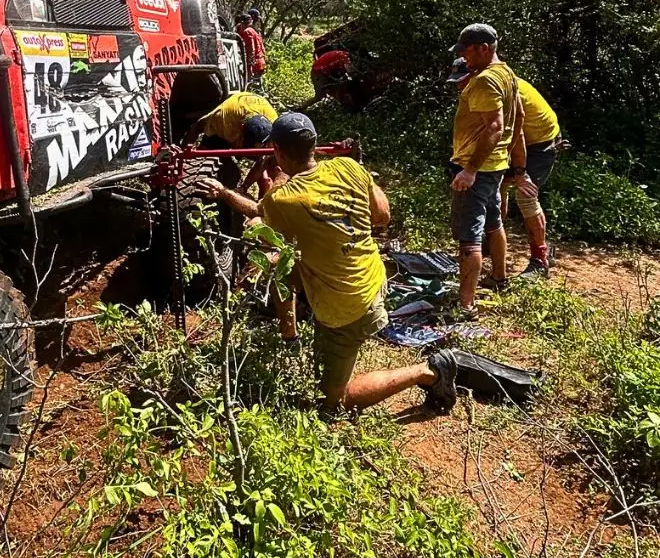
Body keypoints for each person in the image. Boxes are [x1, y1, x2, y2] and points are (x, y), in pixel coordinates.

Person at [197, 113, 458, 414]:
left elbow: (259, 215)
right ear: (315, 144)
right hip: (372, 275)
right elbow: (383, 216)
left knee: (334, 403)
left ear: (277, 153)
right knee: (279, 266)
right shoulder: (348, 167)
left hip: (347, 308)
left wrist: (224, 192)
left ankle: (430, 371)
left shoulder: (283, 201)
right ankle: (289, 334)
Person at [448, 24, 533, 315]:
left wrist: (470, 170)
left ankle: (465, 305)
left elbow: (495, 126)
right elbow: (518, 116)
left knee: (469, 235)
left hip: (478, 167)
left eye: (466, 52)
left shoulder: (485, 80)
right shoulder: (507, 74)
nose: (463, 58)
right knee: (494, 221)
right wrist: (505, 151)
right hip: (495, 165)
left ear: (484, 48)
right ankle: (499, 275)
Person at [501, 75, 561, 279]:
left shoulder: (497, 87)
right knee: (495, 186)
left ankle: (540, 260)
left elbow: (517, 133)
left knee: (526, 196)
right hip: (519, 138)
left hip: (540, 143)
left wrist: (520, 173)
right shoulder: (489, 80)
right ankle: (493, 241)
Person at [236, 12, 267, 88]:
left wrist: (249, 64)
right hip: (260, 62)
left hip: (255, 64)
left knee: (251, 86)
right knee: (257, 85)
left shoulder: (247, 31)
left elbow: (251, 48)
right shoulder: (255, 31)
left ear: (242, 22)